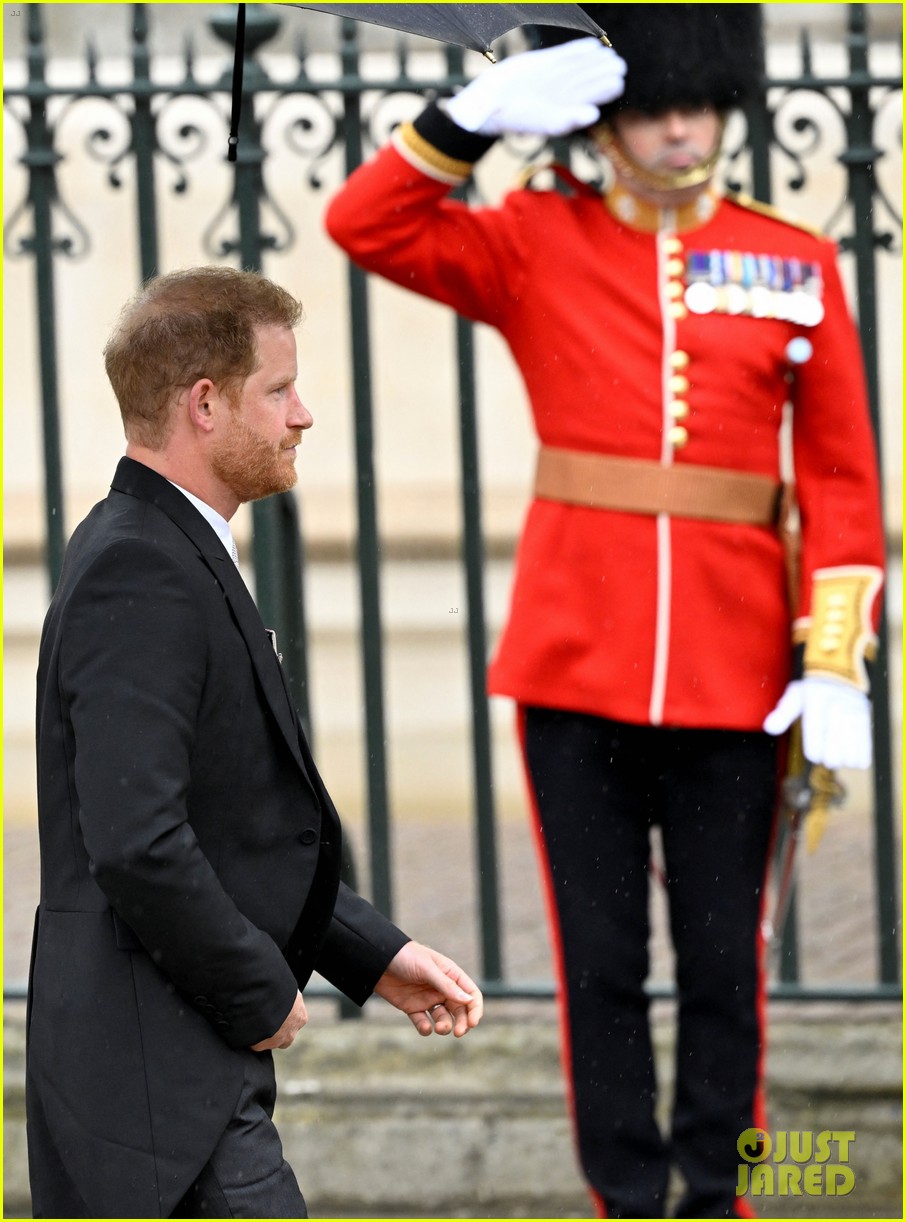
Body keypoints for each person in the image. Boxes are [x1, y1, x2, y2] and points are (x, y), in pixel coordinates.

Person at [325, 5, 885, 1217]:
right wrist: (461, 123)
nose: (683, 128)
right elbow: (362, 223)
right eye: (655, 105)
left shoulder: (793, 261)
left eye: (698, 104)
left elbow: (841, 475)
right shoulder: (534, 239)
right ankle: (623, 1194)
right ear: (607, 117)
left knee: (727, 966)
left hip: (742, 671)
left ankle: (715, 1187)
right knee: (604, 964)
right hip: (577, 665)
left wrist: (833, 657)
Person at [26, 265, 484, 1219]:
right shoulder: (139, 570)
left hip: (179, 1077)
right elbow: (138, 840)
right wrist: (257, 990)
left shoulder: (165, 545)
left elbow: (227, 821)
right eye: (279, 389)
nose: (304, 414)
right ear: (204, 403)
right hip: (150, 1099)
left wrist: (371, 951)